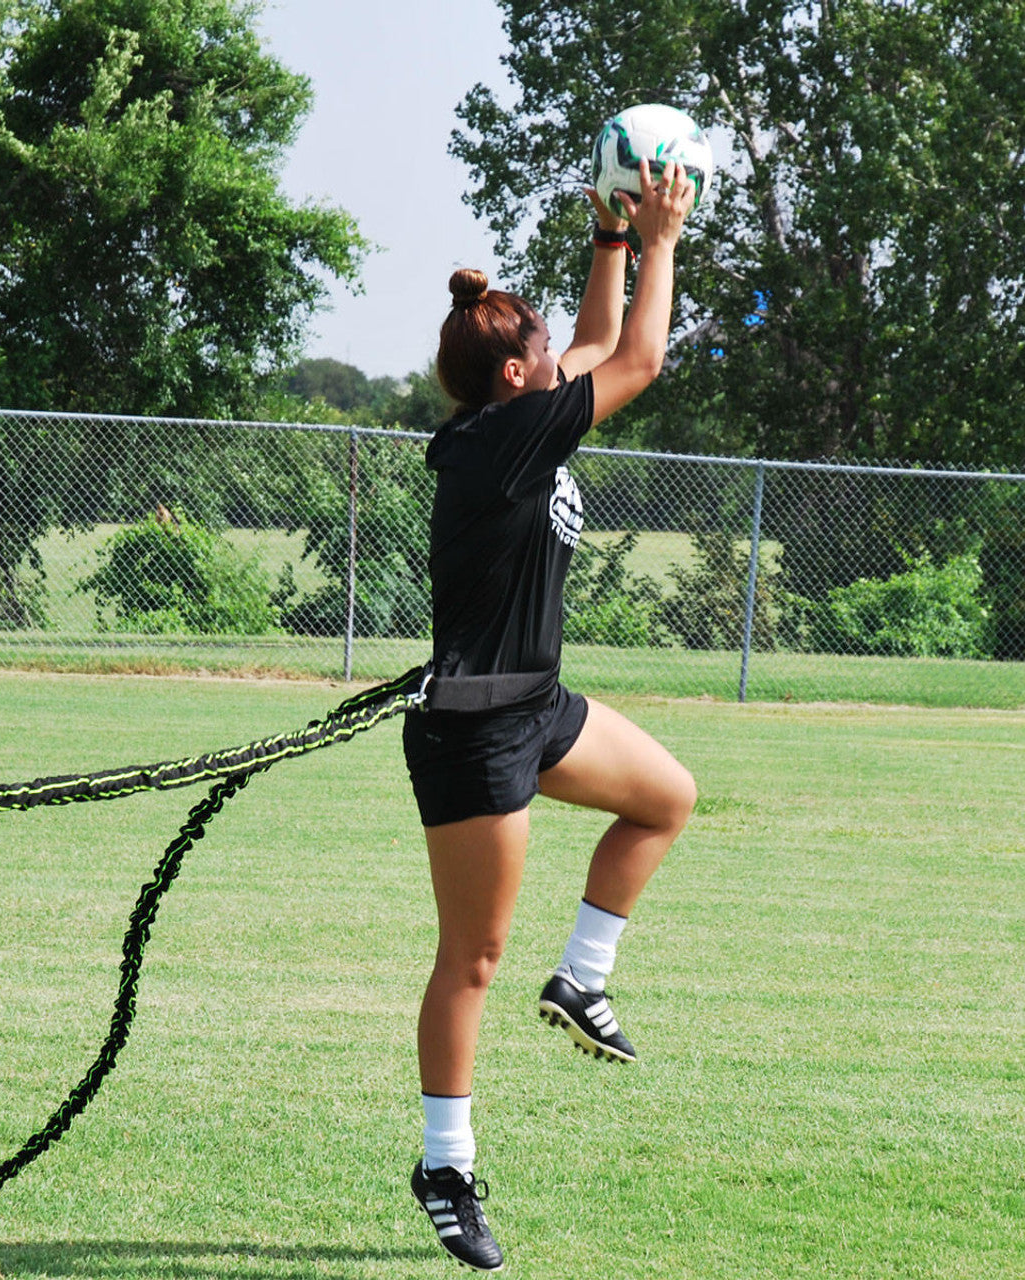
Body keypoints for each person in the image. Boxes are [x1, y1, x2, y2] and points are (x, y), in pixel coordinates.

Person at [403, 158, 699, 1272]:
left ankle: (580, 977)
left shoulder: (514, 410)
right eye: (541, 354)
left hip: (539, 704)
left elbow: (586, 343)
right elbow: (637, 357)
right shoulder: (502, 439)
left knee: (664, 797)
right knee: (470, 958)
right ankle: (445, 1161)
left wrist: (612, 241)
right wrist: (664, 236)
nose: (556, 359)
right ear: (515, 376)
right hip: (474, 732)